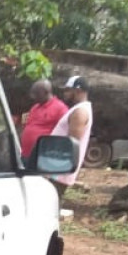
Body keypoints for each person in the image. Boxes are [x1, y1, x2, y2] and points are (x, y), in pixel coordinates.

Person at [51, 75, 93, 203]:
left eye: (68, 90)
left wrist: (53, 167)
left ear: (78, 90)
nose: (65, 93)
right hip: (55, 167)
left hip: (58, 170)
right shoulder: (77, 109)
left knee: (50, 204)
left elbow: (71, 144)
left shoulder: (80, 112)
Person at [20, 78, 68, 159]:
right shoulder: (35, 107)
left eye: (36, 93)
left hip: (42, 156)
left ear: (46, 92)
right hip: (25, 154)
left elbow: (65, 132)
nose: (33, 97)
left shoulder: (60, 108)